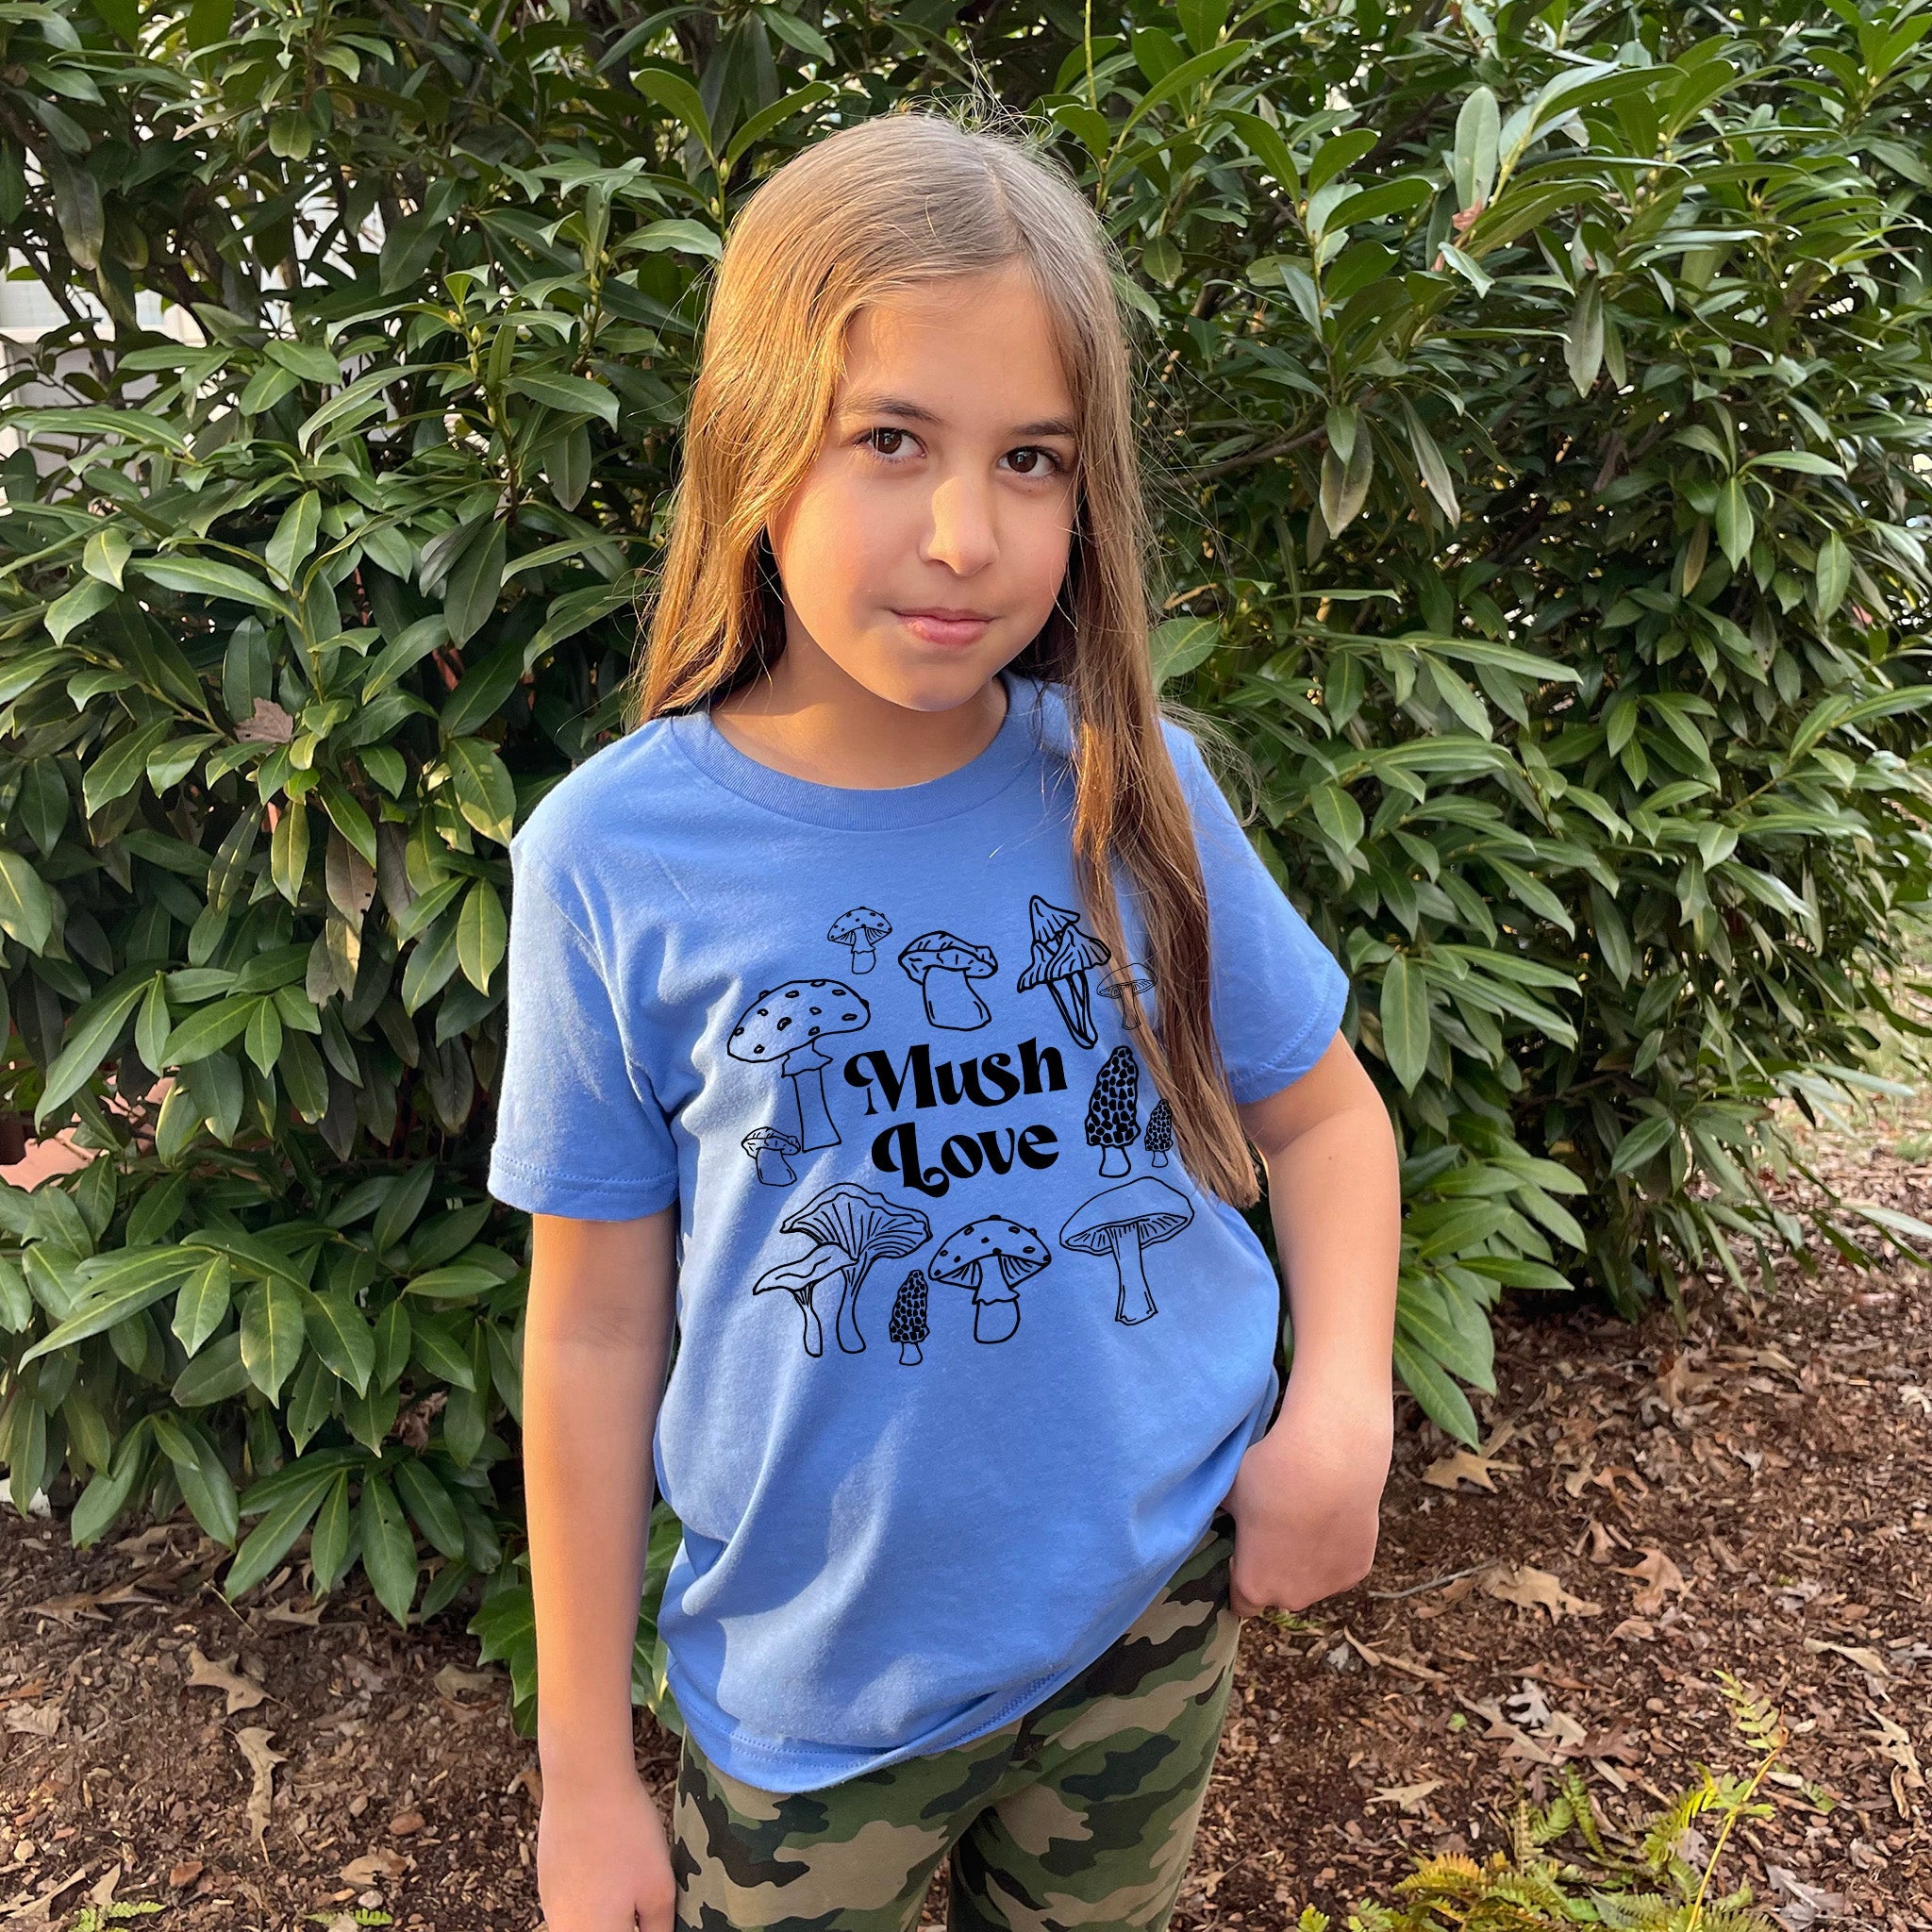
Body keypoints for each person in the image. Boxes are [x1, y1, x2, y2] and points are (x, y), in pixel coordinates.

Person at [485, 104, 1401, 1932]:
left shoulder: (1133, 787)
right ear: (758, 438)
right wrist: (585, 1775)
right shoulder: (611, 857)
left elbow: (1323, 1117)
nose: (966, 534)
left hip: (1143, 1617)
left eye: (1033, 459)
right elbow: (589, 1333)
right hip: (811, 1696)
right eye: (891, 440)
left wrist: (1341, 1405)